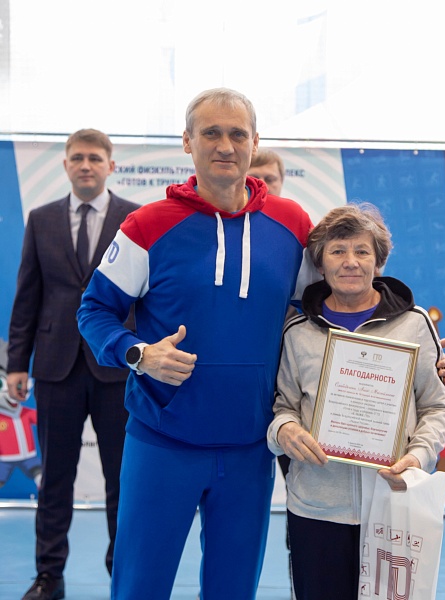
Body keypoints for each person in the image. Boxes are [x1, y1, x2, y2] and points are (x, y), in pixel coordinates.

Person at [76, 88, 315, 599]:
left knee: (233, 590)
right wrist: (140, 354)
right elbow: (94, 310)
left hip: (251, 446)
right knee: (139, 587)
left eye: (237, 134)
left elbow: (327, 313)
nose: (225, 145)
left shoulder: (293, 225)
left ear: (255, 142)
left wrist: (407, 350)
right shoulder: (147, 225)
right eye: (211, 133)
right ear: (187, 141)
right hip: (162, 442)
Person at [266, 202, 445, 600]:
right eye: (337, 251)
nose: (350, 261)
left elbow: (437, 407)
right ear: (320, 263)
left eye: (362, 251)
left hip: (393, 504)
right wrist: (285, 431)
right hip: (316, 509)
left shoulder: (415, 323)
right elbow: (283, 405)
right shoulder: (297, 332)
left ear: (378, 261)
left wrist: (418, 457)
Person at [6, 129, 139, 600]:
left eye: (95, 158)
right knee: (55, 480)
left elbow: (146, 296)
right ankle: (49, 576)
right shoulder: (41, 219)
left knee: (122, 478)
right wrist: (17, 364)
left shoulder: (135, 219)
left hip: (116, 366)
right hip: (55, 366)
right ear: (65, 165)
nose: (86, 165)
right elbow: (27, 296)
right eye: (77, 157)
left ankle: (123, 571)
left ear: (110, 166)